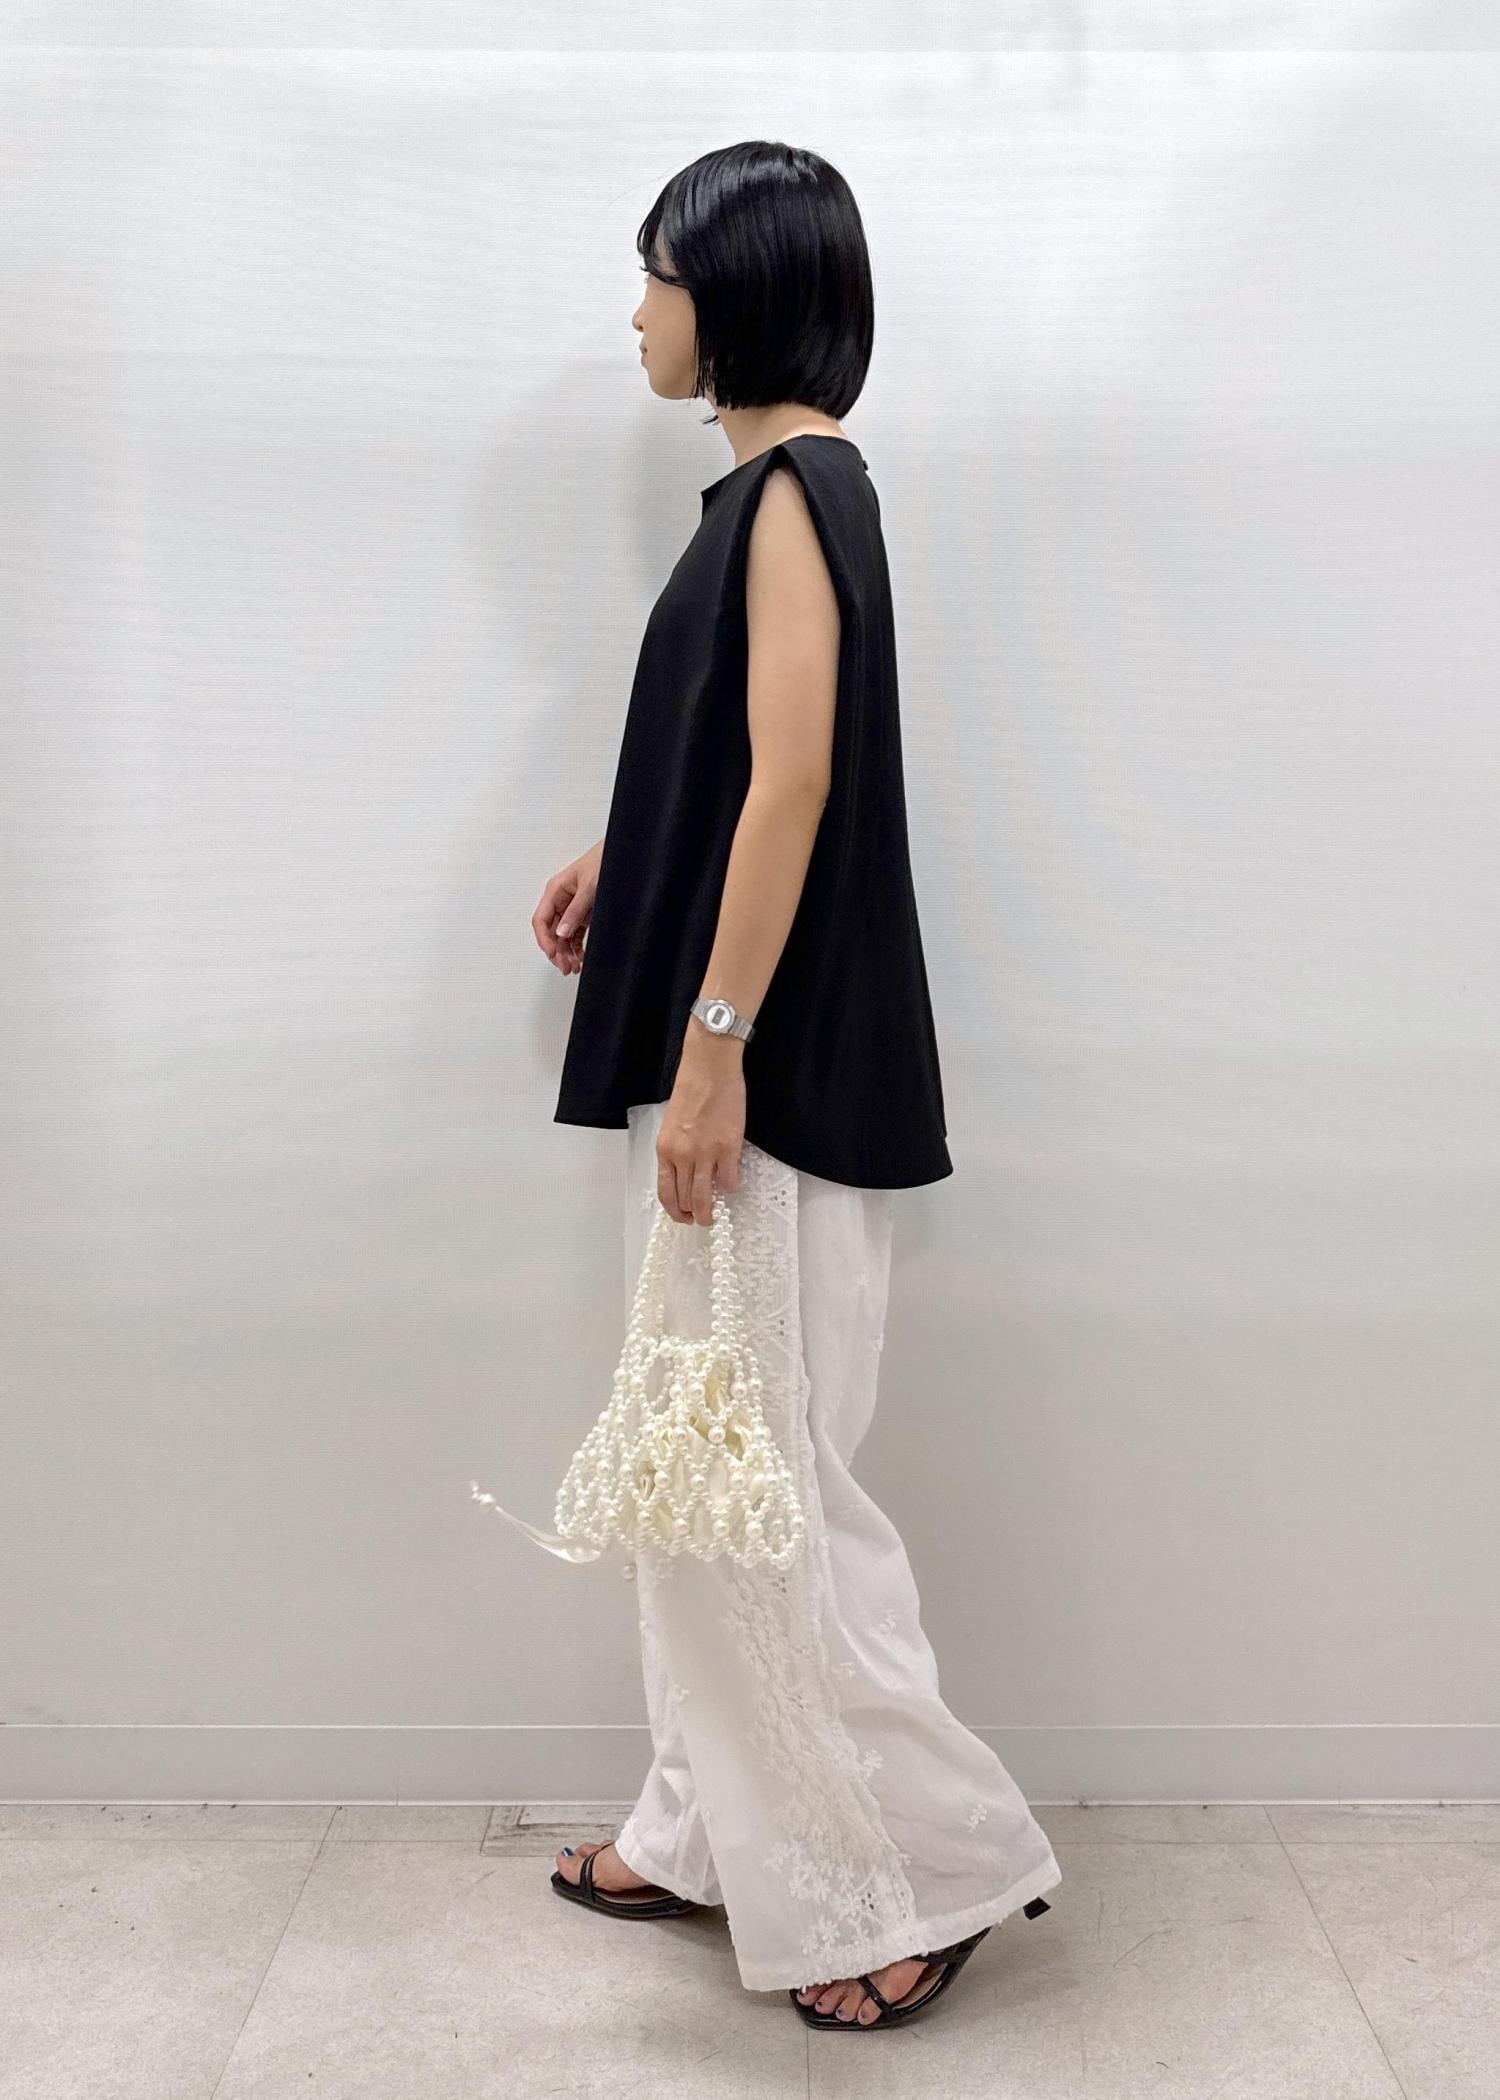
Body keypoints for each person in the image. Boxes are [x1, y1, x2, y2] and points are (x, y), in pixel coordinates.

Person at [531, 140, 1061, 2031]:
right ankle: (698, 1825)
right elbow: (734, 758)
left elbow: (801, 781)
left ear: (738, 293)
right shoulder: (768, 496)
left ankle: (939, 1870)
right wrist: (628, 856)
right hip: (746, 1069)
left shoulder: (796, 494)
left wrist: (710, 1056)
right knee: (700, 1473)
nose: (639, 315)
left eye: (659, 278)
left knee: (767, 1497)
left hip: (767, 1087)